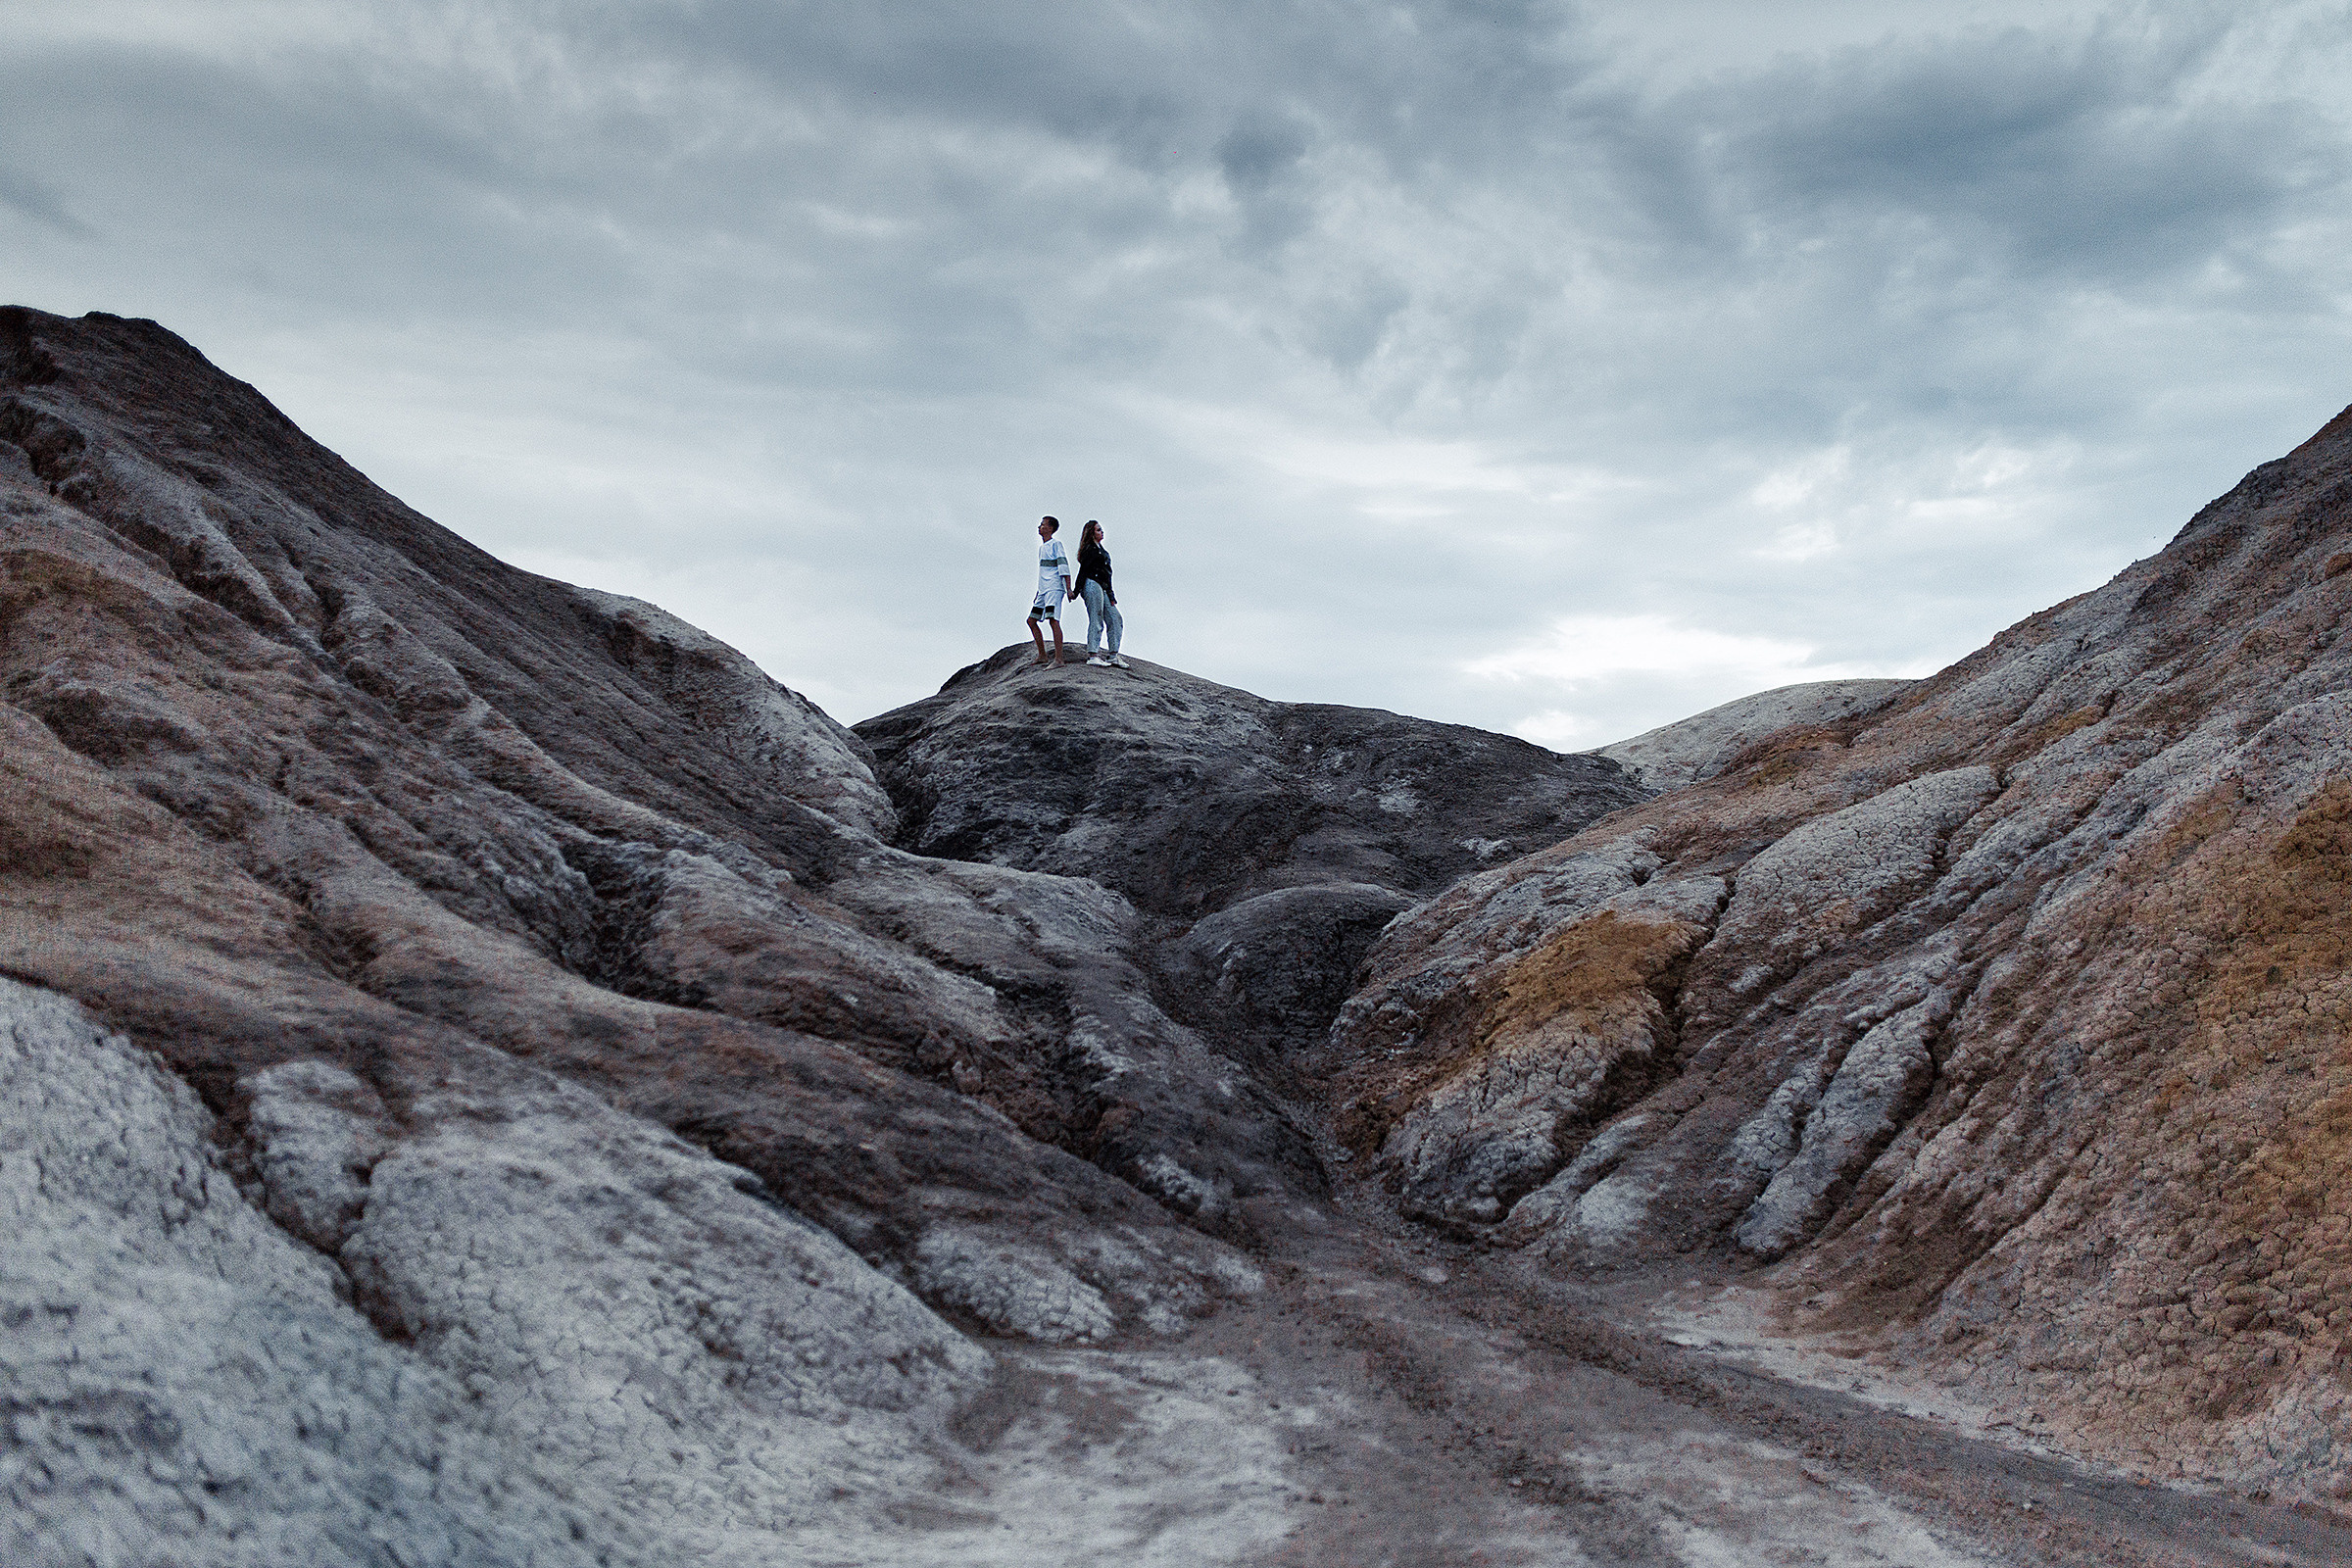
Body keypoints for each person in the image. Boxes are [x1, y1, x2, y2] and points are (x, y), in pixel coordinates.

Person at [1073, 518, 1126, 668]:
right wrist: (1076, 591)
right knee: (1096, 617)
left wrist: (1111, 595)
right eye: (1098, 530)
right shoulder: (1089, 550)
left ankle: (1113, 655)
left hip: (1103, 587)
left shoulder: (1103, 552)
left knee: (1115, 617)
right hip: (1091, 583)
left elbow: (1108, 575)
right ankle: (1093, 655)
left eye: (1101, 530)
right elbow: (1083, 571)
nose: (1102, 532)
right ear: (1091, 533)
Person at [1027, 515, 1072, 666]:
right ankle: (1042, 655)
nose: (1040, 527)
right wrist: (1038, 592)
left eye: (1043, 525)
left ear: (1050, 528)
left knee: (1053, 620)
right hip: (1043, 589)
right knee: (1031, 620)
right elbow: (1043, 571)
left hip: (1054, 587)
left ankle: (1059, 659)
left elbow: (1063, 565)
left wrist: (1068, 588)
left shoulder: (1056, 544)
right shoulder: (1042, 548)